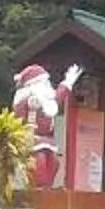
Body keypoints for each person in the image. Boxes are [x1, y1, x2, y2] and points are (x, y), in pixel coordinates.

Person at [10, 62, 81, 190]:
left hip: (47, 138)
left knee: (54, 162)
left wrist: (67, 82)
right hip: (31, 137)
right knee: (39, 161)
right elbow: (18, 119)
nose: (46, 86)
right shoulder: (25, 101)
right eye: (43, 83)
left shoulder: (47, 100)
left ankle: (47, 187)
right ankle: (38, 186)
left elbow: (57, 98)